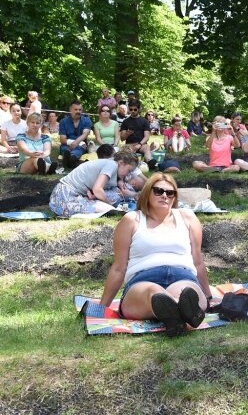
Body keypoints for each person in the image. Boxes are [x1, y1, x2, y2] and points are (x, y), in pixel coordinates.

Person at [98, 174, 212, 337]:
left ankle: (178, 313)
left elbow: (197, 261)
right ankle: (178, 313)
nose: (164, 195)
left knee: (185, 291)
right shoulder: (132, 220)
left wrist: (209, 295)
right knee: (154, 292)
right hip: (143, 279)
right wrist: (103, 307)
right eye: (158, 191)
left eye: (170, 193)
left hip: (182, 274)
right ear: (147, 193)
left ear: (174, 197)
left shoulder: (187, 217)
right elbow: (118, 268)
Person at [49, 152, 139, 217]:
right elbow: (97, 189)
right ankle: (115, 211)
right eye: (129, 170)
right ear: (121, 163)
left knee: (118, 193)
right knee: (107, 208)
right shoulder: (112, 165)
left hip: (71, 193)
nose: (128, 174)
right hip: (65, 197)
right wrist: (109, 205)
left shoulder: (111, 165)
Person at [120, 101, 158, 171]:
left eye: (135, 109)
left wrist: (139, 144)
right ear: (129, 109)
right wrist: (127, 133)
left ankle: (150, 162)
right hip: (129, 144)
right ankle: (130, 165)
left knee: (146, 147)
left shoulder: (144, 121)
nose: (133, 111)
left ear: (139, 109)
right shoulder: (125, 121)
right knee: (125, 150)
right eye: (131, 109)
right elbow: (122, 138)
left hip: (141, 144)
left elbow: (146, 137)